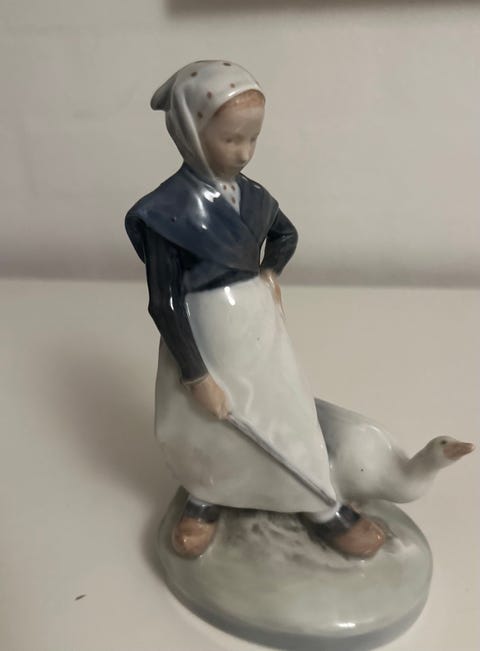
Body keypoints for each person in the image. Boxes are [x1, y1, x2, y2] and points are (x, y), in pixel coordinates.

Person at [125, 60, 385, 559]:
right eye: (231, 139)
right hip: (201, 334)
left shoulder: (255, 197)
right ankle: (205, 496)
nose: (244, 153)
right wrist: (196, 375)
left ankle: (317, 501)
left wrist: (270, 272)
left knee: (283, 409)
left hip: (256, 326)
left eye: (253, 139)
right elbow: (164, 301)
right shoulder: (165, 211)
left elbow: (286, 234)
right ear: (190, 133)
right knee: (205, 425)